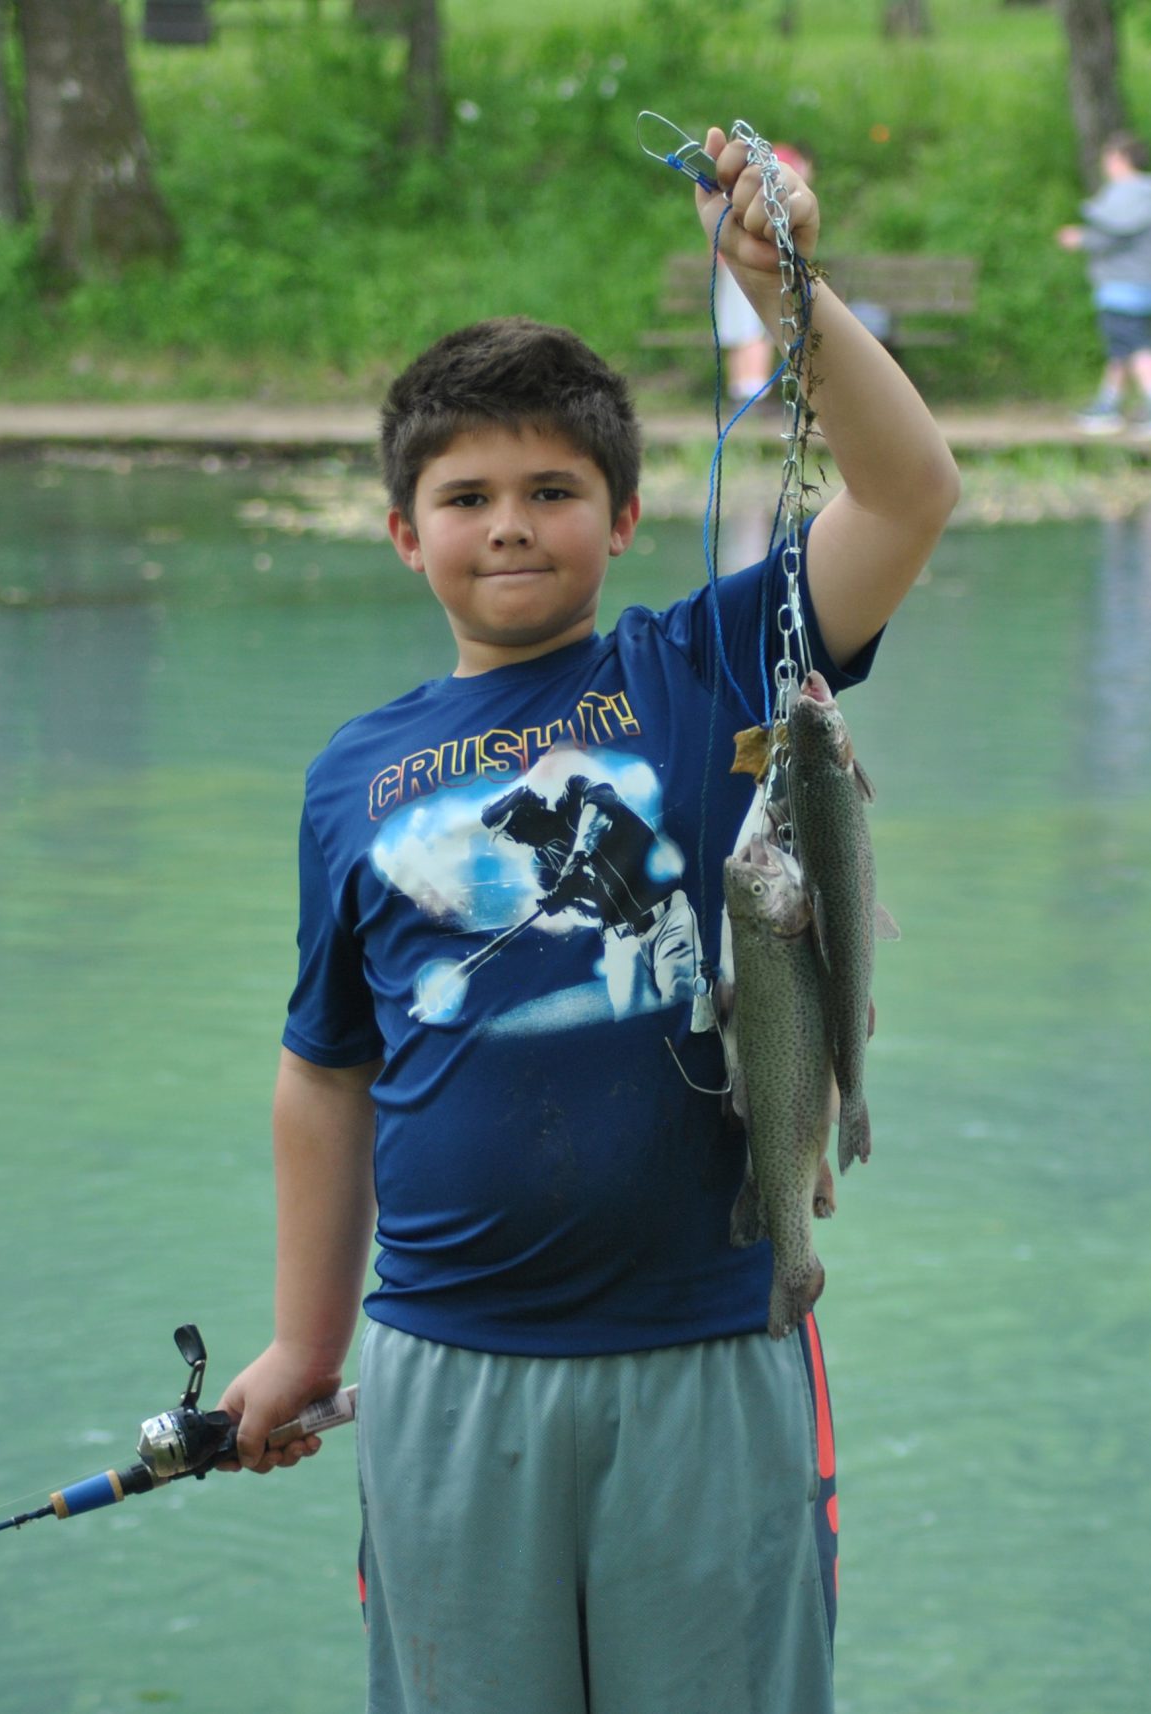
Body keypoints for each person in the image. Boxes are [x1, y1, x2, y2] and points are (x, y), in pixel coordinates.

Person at [216, 124, 959, 1714]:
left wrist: (782, 285)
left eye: (554, 489)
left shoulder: (701, 667)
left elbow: (911, 494)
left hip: (710, 1342)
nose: (509, 522)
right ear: (402, 533)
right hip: (442, 1367)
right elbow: (324, 1071)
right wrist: (298, 1345)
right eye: (465, 494)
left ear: (624, 519)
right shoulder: (354, 773)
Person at [1057, 131, 1151, 440]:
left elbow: (1115, 232)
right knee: (1122, 347)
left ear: (1119, 159)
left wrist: (1081, 239)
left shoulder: (1127, 194)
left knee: (1139, 346)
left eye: (1107, 158)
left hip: (1123, 286)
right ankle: (1107, 407)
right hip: (1149, 283)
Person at [714, 140, 813, 400]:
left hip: (730, 259)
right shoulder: (789, 163)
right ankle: (754, 391)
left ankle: (741, 390)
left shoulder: (762, 158)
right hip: (751, 259)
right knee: (755, 326)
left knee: (739, 327)